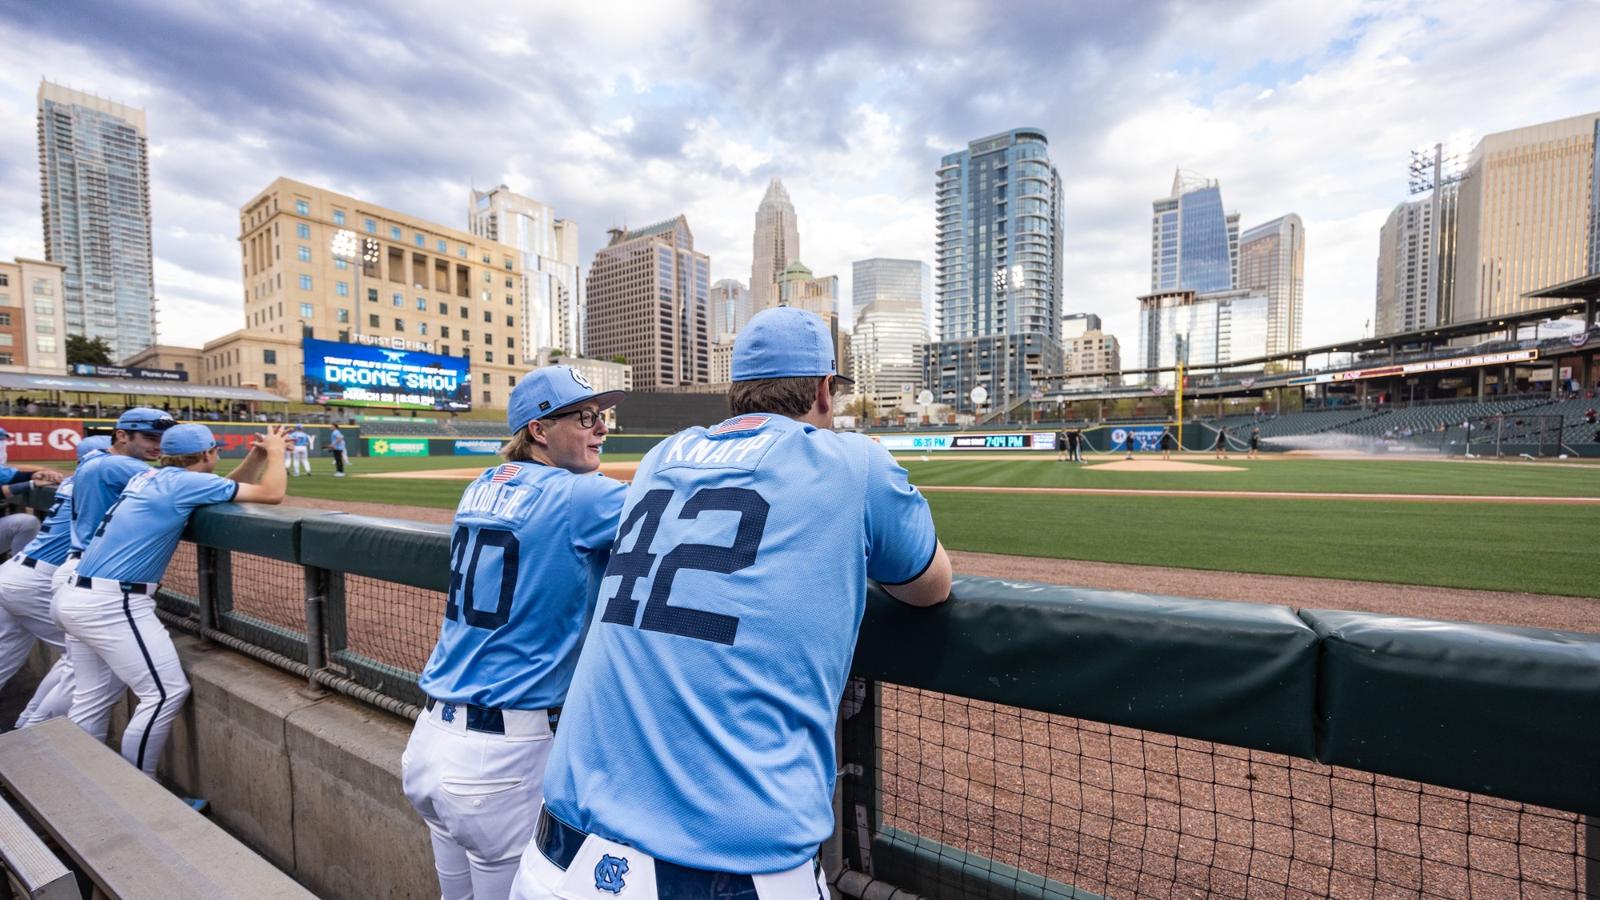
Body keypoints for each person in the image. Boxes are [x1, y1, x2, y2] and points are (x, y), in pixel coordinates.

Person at [512, 307, 952, 899]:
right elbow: (930, 586)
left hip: (555, 857)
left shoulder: (661, 457)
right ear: (824, 390)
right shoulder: (855, 463)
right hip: (721, 870)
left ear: (735, 392)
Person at [403, 366, 628, 900]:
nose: (600, 429)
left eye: (601, 417)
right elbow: (685, 523)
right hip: (501, 763)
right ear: (539, 430)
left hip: (430, 742)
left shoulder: (481, 486)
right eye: (584, 418)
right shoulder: (581, 496)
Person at [55, 424, 286, 778]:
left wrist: (256, 455)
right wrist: (276, 452)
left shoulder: (153, 478)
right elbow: (272, 493)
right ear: (208, 454)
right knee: (164, 694)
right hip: (111, 604)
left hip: (75, 593)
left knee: (92, 698)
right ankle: (138, 792)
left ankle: (79, 782)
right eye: (216, 450)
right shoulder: (185, 484)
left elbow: (221, 487)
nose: (218, 455)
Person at [0, 436, 112, 728]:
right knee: (84, 654)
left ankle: (27, 725)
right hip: (35, 581)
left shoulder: (73, 481)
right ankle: (32, 729)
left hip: (15, 572)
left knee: (6, 653)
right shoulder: (105, 484)